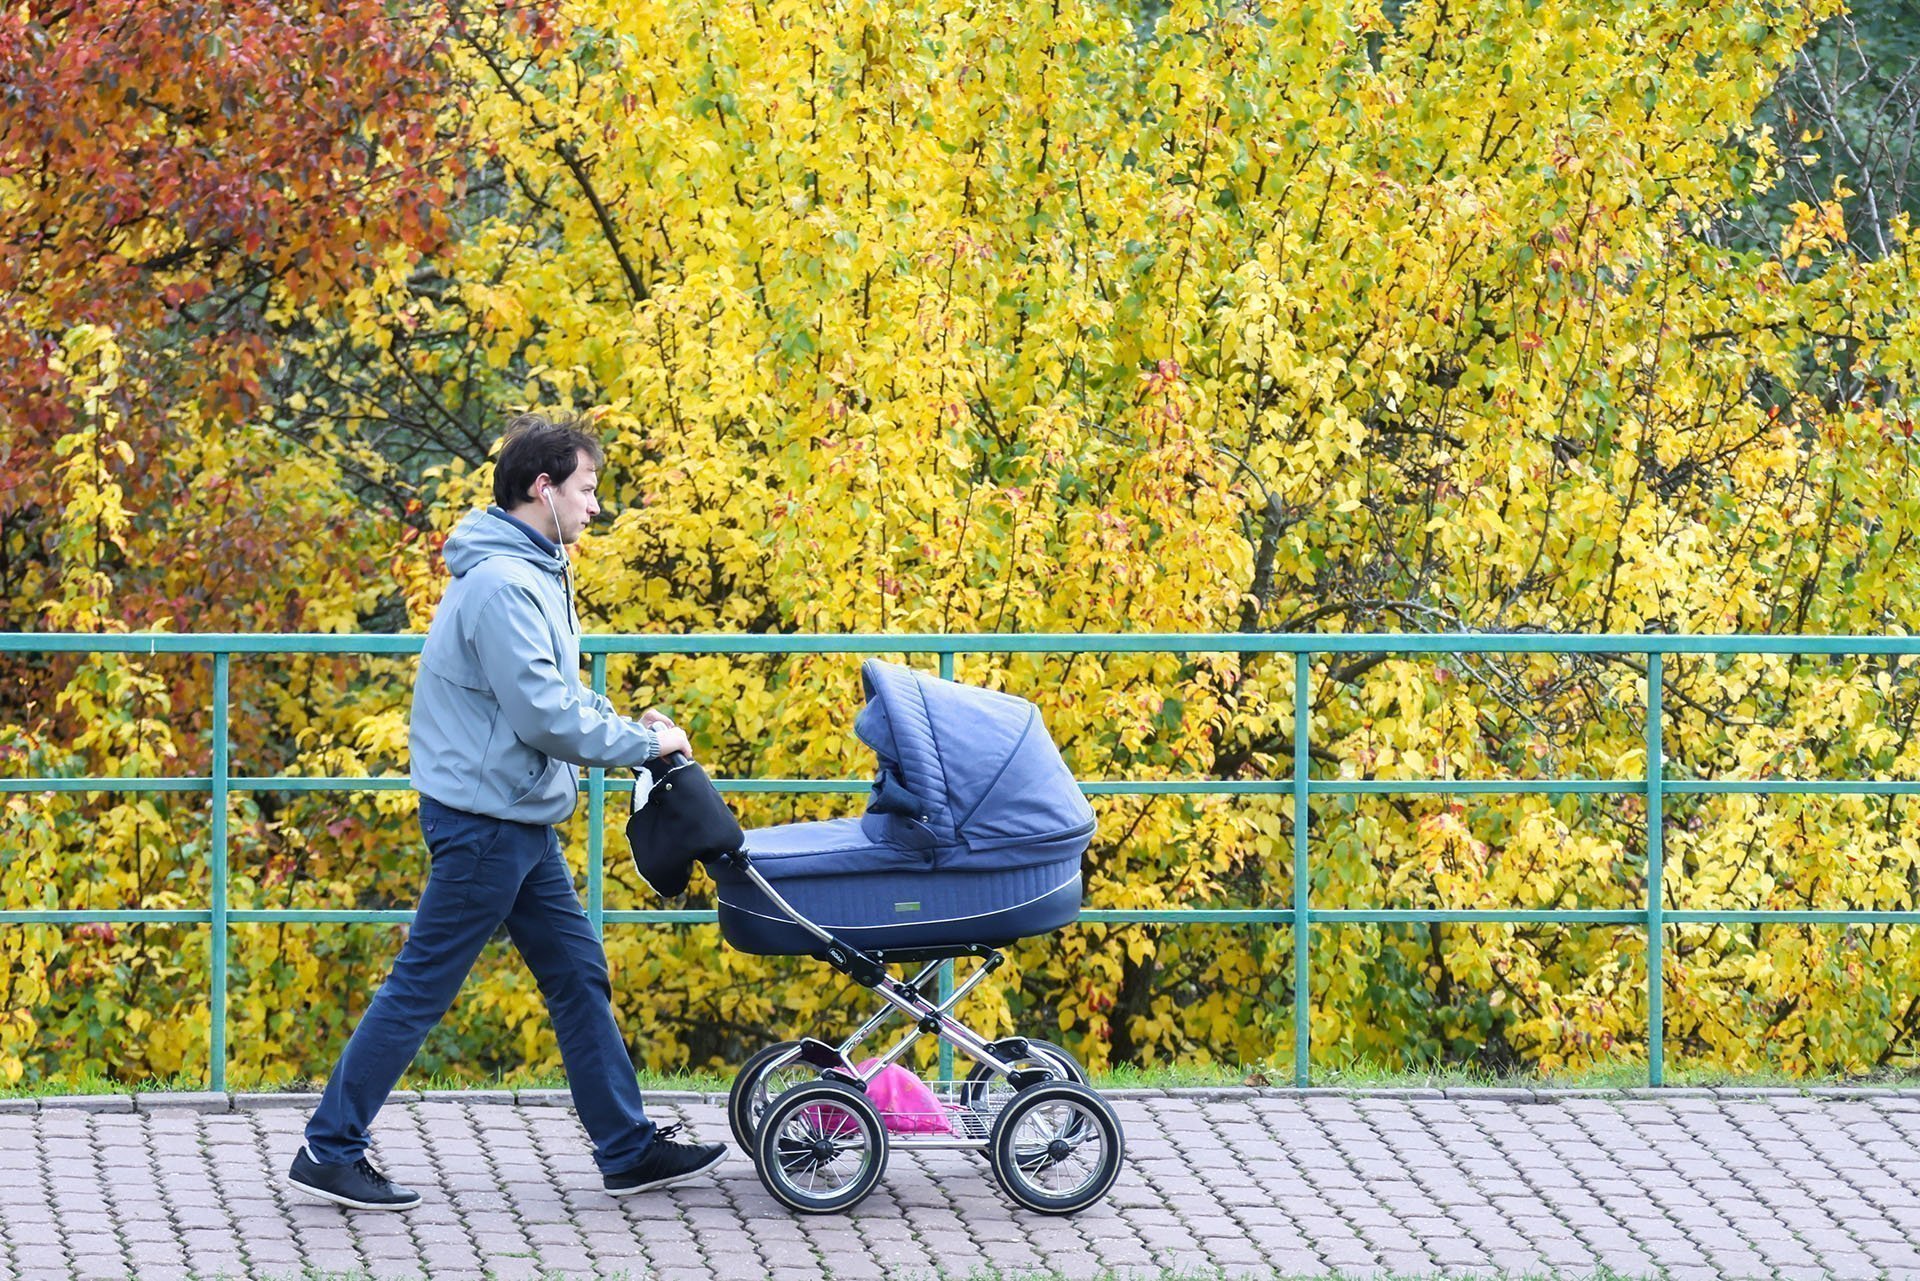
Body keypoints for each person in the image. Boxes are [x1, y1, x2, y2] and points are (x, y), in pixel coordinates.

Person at [288, 412, 725, 1211]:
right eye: (587, 490)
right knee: (422, 986)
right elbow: (543, 715)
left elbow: (558, 689)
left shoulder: (534, 568)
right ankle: (330, 1145)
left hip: (515, 816)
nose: (596, 507)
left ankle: (626, 1148)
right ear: (542, 487)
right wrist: (645, 749)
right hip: (487, 824)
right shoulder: (502, 583)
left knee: (576, 974)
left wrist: (636, 726)